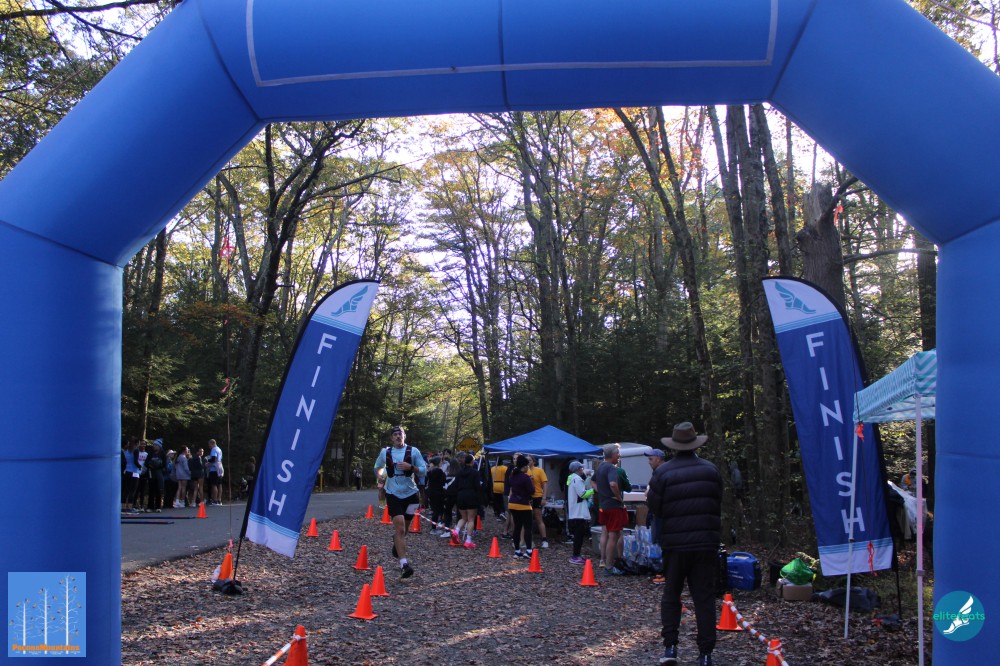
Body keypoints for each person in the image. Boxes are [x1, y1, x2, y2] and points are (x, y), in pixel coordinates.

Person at [647, 422, 722, 666]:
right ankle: (706, 654)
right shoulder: (711, 470)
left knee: (672, 595)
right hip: (706, 542)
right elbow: (717, 501)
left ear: (674, 446)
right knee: (704, 598)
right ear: (695, 444)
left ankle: (670, 647)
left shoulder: (663, 472)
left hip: (675, 543)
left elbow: (654, 507)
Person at [373, 425, 426, 578]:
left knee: (405, 530)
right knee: (401, 529)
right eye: (395, 434)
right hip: (393, 493)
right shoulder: (385, 452)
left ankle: (396, 541)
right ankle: (404, 565)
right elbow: (377, 467)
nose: (398, 436)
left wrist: (411, 467)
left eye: (400, 434)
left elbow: (424, 470)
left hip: (411, 495)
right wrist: (379, 475)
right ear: (391, 438)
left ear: (404, 436)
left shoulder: (413, 451)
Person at [595, 443, 627, 575]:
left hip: (603, 505)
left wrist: (601, 492)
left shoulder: (600, 467)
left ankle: (605, 561)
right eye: (618, 453)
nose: (619, 456)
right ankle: (609, 566)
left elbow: (592, 481)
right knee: (614, 535)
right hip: (613, 506)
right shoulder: (611, 468)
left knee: (606, 533)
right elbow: (613, 484)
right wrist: (619, 498)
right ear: (613, 455)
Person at [645, 448, 668, 584]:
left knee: (665, 543)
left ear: (658, 459)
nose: (649, 462)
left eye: (651, 459)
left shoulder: (663, 472)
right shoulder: (658, 472)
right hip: (657, 512)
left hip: (662, 513)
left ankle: (667, 573)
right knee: (661, 542)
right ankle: (665, 571)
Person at [507, 455, 535, 559]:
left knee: (517, 527)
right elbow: (531, 491)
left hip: (512, 503)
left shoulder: (512, 475)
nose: (528, 468)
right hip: (523, 504)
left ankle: (517, 551)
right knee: (528, 527)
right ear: (524, 466)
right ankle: (529, 550)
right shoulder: (526, 477)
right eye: (527, 466)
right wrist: (531, 482)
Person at [566, 460, 593, 564]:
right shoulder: (577, 479)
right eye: (581, 468)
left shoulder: (571, 478)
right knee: (579, 536)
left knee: (578, 535)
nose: (582, 469)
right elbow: (582, 494)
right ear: (578, 469)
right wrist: (593, 491)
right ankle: (575, 556)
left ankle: (576, 555)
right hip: (579, 512)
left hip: (574, 511)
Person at [452, 452, 482, 548]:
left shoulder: (459, 472)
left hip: (461, 495)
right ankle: (468, 540)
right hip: (471, 496)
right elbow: (477, 486)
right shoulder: (475, 473)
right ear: (472, 462)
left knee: (463, 517)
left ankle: (456, 531)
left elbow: (456, 485)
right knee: (471, 519)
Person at [527, 455, 550, 548]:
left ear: (533, 461)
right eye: (526, 460)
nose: (528, 462)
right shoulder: (524, 471)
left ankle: (544, 539)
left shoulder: (539, 470)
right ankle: (528, 539)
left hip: (537, 496)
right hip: (527, 497)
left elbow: (545, 484)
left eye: (529, 460)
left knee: (538, 517)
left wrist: (544, 497)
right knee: (527, 519)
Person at [206, 439, 224, 505]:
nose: (209, 446)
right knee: (220, 484)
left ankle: (215, 500)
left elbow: (214, 459)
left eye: (209, 445)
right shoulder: (219, 449)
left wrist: (208, 461)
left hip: (214, 469)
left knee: (214, 484)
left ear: (212, 443)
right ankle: (219, 500)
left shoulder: (214, 449)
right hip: (220, 468)